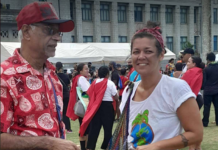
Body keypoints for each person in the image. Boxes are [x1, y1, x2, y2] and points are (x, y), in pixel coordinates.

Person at [108, 21, 203, 150]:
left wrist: (156, 146)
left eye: (148, 51)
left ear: (161, 54)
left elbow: (196, 134)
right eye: (136, 52)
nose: (141, 56)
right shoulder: (128, 91)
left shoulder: (176, 88)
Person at [0, 2, 79, 150]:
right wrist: (48, 143)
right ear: (26, 32)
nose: (57, 38)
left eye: (58, 32)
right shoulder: (5, 77)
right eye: (50, 30)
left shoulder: (52, 75)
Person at [79, 66, 119, 150]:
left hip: (96, 107)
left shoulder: (94, 82)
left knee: (94, 129)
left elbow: (89, 95)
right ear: (107, 74)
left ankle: (90, 147)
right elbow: (116, 97)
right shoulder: (110, 83)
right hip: (107, 107)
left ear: (98, 74)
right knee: (108, 129)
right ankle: (107, 147)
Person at [67, 63, 90, 150]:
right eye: (86, 69)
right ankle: (84, 147)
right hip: (85, 106)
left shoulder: (77, 78)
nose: (88, 70)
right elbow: (87, 91)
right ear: (80, 71)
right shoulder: (81, 79)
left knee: (84, 128)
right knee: (85, 129)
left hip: (81, 106)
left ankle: (84, 147)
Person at [56, 62, 72, 133]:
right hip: (66, 95)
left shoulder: (55, 76)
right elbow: (69, 85)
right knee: (66, 112)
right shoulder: (66, 76)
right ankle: (68, 128)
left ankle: (61, 128)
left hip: (58, 96)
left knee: (59, 112)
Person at [202, 52, 218, 127]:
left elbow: (204, 81)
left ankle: (205, 122)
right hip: (217, 90)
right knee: (217, 107)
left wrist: (203, 87)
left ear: (208, 59)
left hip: (208, 90)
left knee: (206, 107)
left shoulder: (206, 69)